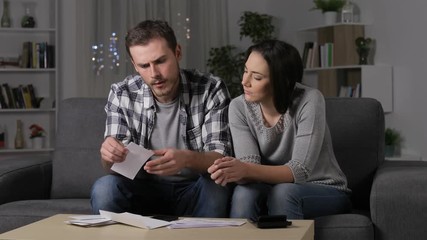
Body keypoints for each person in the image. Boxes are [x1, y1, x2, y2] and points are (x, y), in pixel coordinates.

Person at [91, 20, 233, 218]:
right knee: (104, 188)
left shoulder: (211, 88)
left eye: (160, 61)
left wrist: (186, 159)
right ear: (134, 65)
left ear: (177, 52)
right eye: (144, 65)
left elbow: (221, 158)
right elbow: (113, 169)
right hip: (143, 190)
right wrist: (108, 155)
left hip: (194, 188)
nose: (154, 74)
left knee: (217, 186)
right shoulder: (122, 92)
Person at [208, 39, 352, 220]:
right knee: (244, 194)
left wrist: (245, 169)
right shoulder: (238, 106)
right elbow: (249, 167)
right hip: (270, 186)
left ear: (282, 81)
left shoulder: (310, 100)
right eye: (245, 71)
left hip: (324, 188)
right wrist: (231, 170)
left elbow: (299, 171)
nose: (245, 81)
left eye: (257, 77)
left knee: (284, 193)